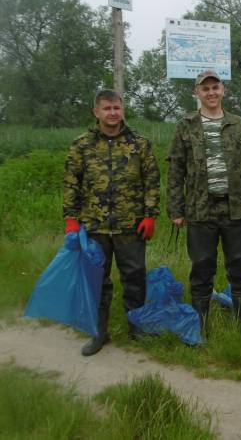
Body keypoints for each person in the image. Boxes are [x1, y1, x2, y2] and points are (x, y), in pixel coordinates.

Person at [63, 89, 161, 356]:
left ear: (122, 110)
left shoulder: (139, 143)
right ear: (96, 112)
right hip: (95, 226)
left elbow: (151, 181)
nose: (112, 113)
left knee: (135, 277)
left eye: (116, 108)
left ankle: (136, 328)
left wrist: (151, 215)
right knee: (97, 281)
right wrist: (71, 219)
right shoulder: (81, 145)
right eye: (107, 108)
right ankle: (99, 332)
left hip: (131, 225)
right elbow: (72, 183)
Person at [167, 70, 241, 331]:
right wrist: (176, 209)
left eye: (215, 87)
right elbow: (176, 170)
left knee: (240, 265)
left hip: (237, 208)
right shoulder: (185, 125)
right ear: (196, 93)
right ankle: (200, 322)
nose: (211, 92)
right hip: (200, 209)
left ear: (223, 91)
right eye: (205, 88)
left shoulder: (239, 125)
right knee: (202, 266)